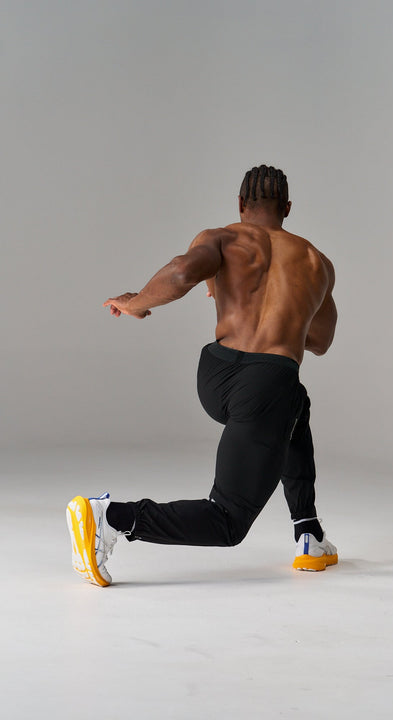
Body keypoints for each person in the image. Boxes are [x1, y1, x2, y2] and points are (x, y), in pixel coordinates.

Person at [66, 164, 338, 587]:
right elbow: (320, 341)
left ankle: (309, 532)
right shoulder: (315, 261)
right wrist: (287, 312)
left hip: (215, 374)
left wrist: (135, 303)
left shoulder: (221, 238)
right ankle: (110, 517)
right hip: (265, 385)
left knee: (295, 405)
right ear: (287, 208)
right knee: (228, 520)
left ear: (240, 204)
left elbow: (180, 273)